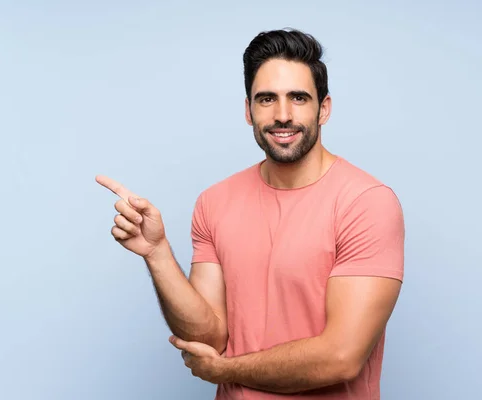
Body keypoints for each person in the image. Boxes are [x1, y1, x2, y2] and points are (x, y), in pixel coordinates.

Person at [96, 28, 405, 400]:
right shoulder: (215, 201)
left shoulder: (366, 203)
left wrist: (224, 370)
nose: (283, 115)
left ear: (324, 108)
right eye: (266, 99)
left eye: (299, 98)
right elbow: (208, 336)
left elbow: (341, 357)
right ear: (248, 110)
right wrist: (157, 252)